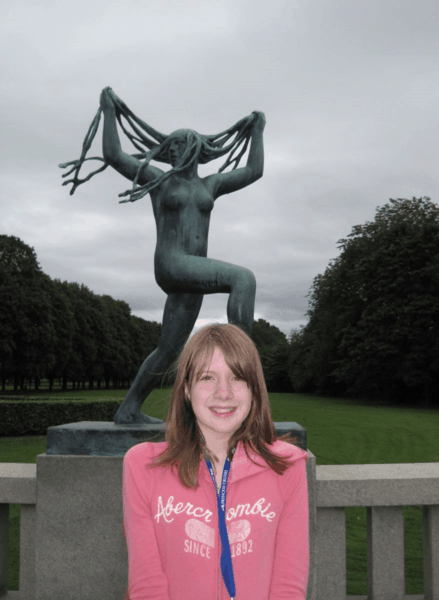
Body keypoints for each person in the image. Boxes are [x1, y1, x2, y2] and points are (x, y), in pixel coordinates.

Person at [61, 86, 266, 424]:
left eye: (178, 145)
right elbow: (115, 155)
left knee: (168, 350)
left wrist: (257, 131)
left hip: (192, 277)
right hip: (172, 264)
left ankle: (128, 410)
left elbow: (253, 171)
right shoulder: (160, 181)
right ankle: (245, 369)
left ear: (194, 149)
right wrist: (109, 112)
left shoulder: (209, 185)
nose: (171, 150)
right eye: (169, 146)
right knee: (242, 278)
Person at [122, 323, 309, 600]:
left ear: (254, 389)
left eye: (237, 378)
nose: (224, 392)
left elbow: (288, 585)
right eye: (207, 377)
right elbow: (146, 583)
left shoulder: (287, 466)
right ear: (187, 389)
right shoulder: (143, 466)